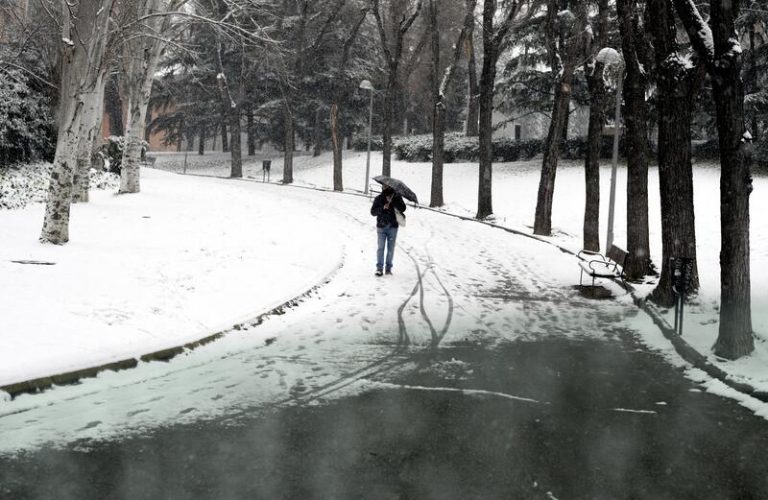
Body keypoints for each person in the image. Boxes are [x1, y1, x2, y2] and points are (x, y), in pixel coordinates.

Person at [370, 185, 406, 276]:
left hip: (393, 226)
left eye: (387, 186)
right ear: (382, 187)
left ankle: (388, 268)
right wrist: (383, 207)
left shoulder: (397, 197)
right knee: (381, 248)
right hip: (381, 227)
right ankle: (379, 268)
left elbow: (403, 208)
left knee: (390, 249)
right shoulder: (379, 198)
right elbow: (373, 212)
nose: (385, 188)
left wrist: (393, 202)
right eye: (384, 186)